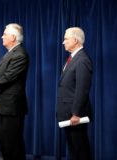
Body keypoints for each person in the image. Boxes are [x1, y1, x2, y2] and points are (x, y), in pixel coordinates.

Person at [0, 23, 29, 160]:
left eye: (4, 34)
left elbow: (8, 77)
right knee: (5, 143)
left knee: (13, 144)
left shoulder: (20, 54)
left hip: (12, 107)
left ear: (13, 37)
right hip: (3, 105)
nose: (2, 36)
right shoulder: (10, 53)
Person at [57, 27, 92, 160]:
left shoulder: (82, 59)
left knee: (80, 150)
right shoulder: (73, 58)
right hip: (68, 114)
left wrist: (76, 113)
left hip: (75, 115)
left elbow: (82, 89)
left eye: (66, 39)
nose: (63, 42)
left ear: (75, 40)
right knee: (73, 150)